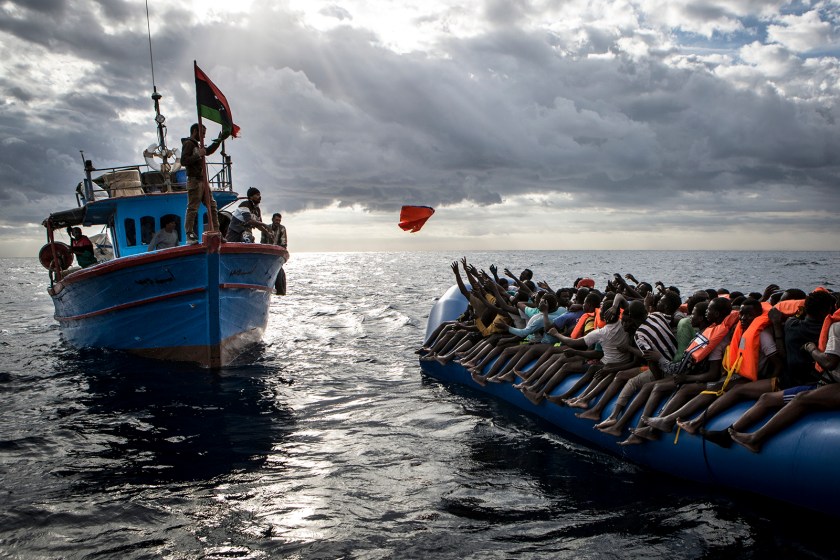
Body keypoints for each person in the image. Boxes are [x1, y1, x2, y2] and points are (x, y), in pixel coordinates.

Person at [729, 313, 840, 453]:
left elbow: (829, 362)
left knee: (801, 398)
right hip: (826, 382)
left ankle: (754, 438)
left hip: (828, 384)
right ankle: (730, 433)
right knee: (766, 398)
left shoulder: (835, 327)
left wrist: (810, 348)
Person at [181, 123, 224, 244]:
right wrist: (197, 154)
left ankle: (216, 232)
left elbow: (207, 151)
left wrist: (218, 141)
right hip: (194, 180)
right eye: (202, 133)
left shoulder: (196, 145)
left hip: (203, 180)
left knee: (212, 206)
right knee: (193, 208)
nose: (204, 136)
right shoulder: (188, 143)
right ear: (195, 131)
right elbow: (184, 160)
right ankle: (189, 234)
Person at [267, 213, 288, 295]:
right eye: (276, 220)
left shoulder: (282, 228)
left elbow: (283, 243)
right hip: (268, 253)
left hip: (277, 254)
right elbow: (263, 241)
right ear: (272, 219)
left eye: (279, 220)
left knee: (279, 272)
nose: (278, 222)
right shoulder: (267, 227)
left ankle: (280, 291)